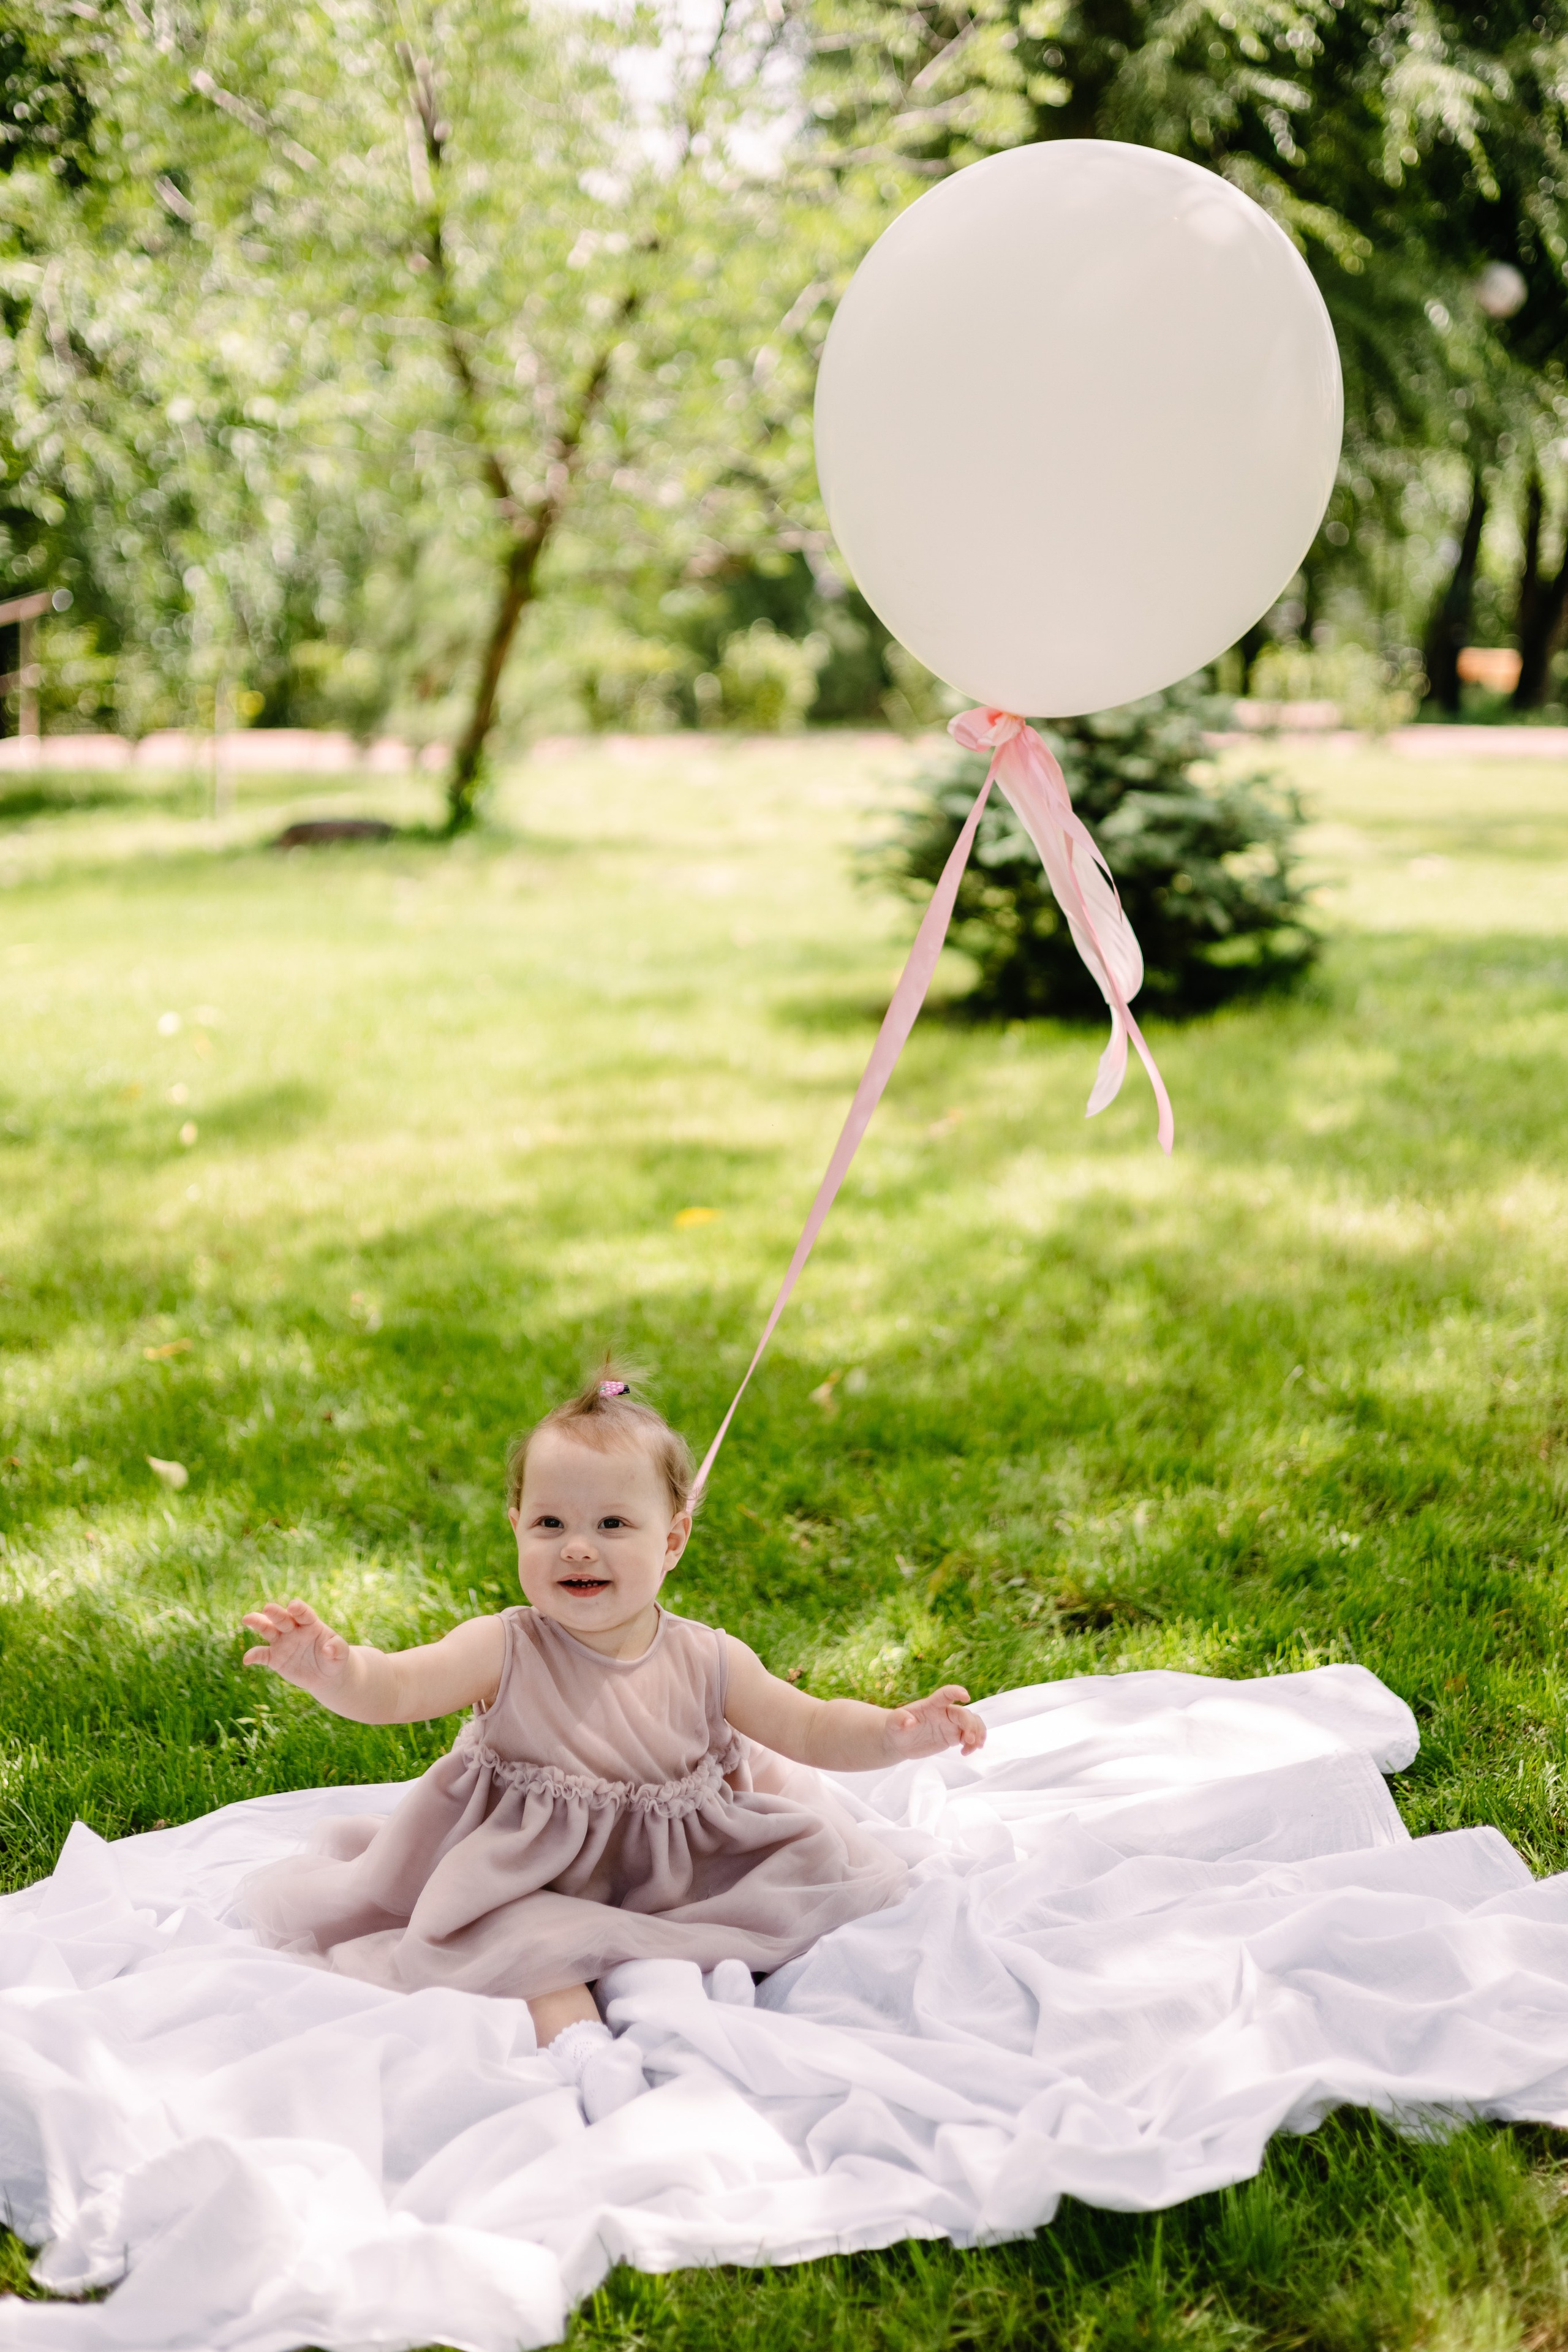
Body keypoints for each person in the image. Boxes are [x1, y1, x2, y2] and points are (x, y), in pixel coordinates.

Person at [238, 1370, 986, 2119]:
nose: (578, 1550)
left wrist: (893, 1732)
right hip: (524, 1874)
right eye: (551, 1524)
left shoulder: (709, 1659)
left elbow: (810, 1726)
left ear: (673, 1541)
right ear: (516, 1527)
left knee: (785, 1894)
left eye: (612, 1526)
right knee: (517, 1942)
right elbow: (397, 1688)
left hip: (672, 1871)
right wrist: (335, 1671)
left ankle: (660, 1997)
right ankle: (583, 2052)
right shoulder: (503, 1647)